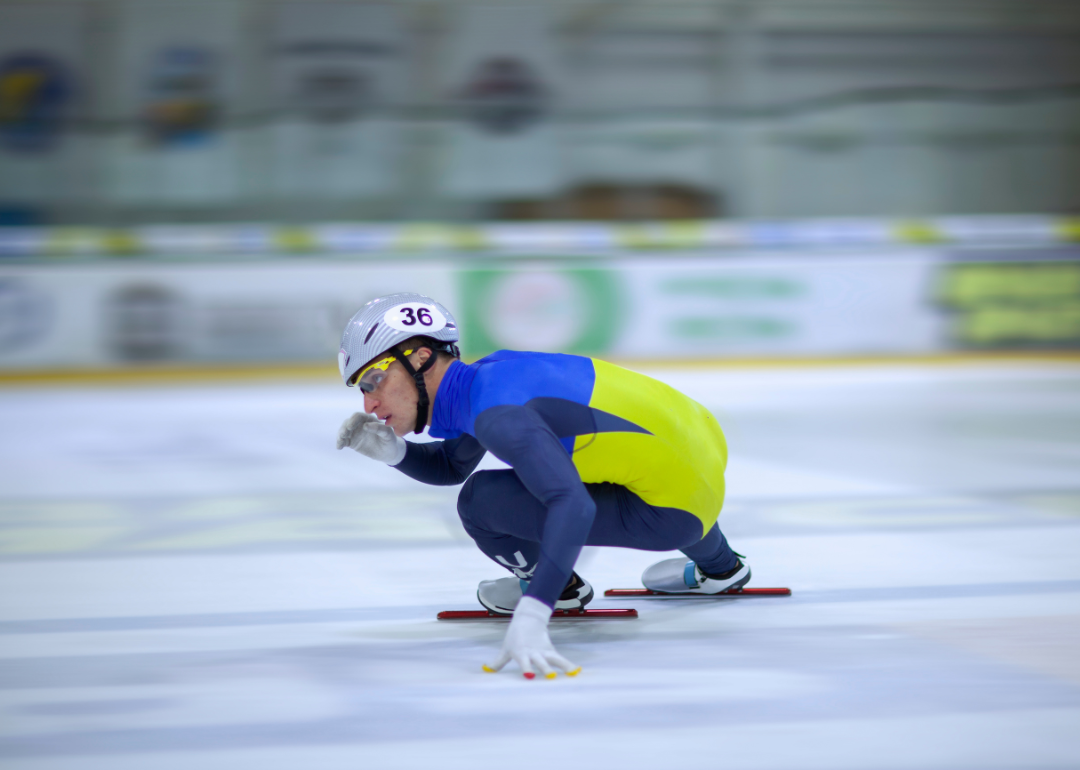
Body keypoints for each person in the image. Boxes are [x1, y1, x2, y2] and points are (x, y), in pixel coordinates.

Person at [336, 293, 749, 680]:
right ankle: (722, 566)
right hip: (701, 449)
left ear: (421, 358)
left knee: (482, 501)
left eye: (372, 381)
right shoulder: (490, 378)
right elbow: (451, 464)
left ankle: (560, 588)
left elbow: (572, 506)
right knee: (615, 460)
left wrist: (535, 611)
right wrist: (396, 453)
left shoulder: (499, 416)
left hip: (671, 517)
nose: (368, 404)